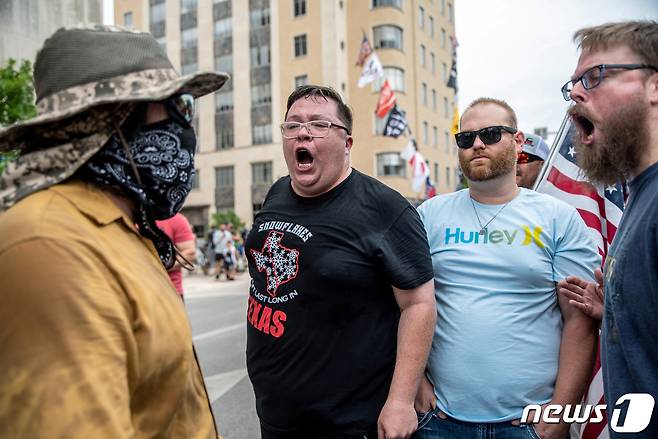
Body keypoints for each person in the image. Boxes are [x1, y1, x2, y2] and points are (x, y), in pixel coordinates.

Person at [0, 24, 228, 438]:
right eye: (176, 106)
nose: (184, 125)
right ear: (114, 118)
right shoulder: (50, 245)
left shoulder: (122, 227)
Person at [244, 85, 436, 438]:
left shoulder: (386, 209)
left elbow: (419, 305)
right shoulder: (276, 192)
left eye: (319, 124)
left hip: (348, 420)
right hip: (275, 412)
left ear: (347, 143)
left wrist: (400, 400)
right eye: (293, 125)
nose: (303, 132)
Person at [414, 97, 601, 439]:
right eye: (466, 138)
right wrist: (416, 383)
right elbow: (406, 307)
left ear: (518, 140)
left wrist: (560, 412)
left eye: (491, 133)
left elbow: (580, 320)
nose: (478, 144)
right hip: (438, 419)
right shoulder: (429, 215)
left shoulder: (558, 217)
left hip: (529, 425)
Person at [557, 20, 658, 437]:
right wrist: (615, 309)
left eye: (595, 76)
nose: (577, 93)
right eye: (573, 84)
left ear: (654, 88)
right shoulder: (640, 198)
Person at [156, 212, 197, 297]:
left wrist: (156, 268)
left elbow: (190, 253)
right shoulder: (128, 216)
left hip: (170, 293)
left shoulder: (175, 219)